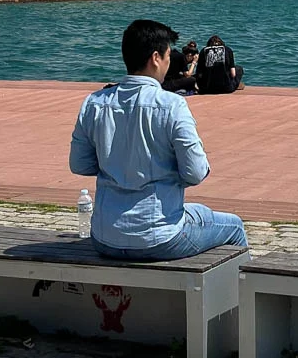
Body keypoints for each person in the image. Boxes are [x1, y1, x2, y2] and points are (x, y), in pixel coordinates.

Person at [69, 19, 246, 261]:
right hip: (159, 236)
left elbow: (79, 164)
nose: (169, 62)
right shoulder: (172, 105)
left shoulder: (94, 103)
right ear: (155, 58)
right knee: (234, 227)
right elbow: (195, 172)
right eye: (167, 56)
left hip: (104, 236)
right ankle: (240, 298)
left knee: (199, 213)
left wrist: (117, 164)